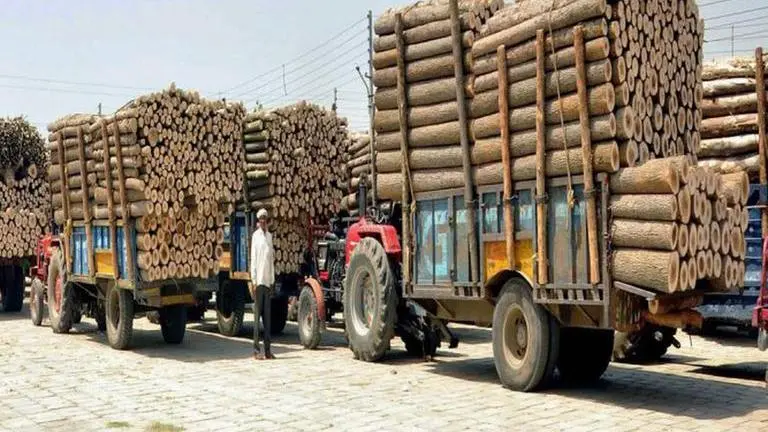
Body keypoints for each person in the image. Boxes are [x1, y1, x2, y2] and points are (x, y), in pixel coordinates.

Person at [250, 208, 275, 360]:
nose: (263, 222)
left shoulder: (270, 237)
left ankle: (267, 350)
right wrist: (253, 280)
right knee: (257, 316)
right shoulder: (255, 237)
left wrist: (272, 280)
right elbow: (253, 259)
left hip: (267, 281)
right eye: (261, 220)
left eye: (265, 219)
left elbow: (271, 260)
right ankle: (255, 350)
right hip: (258, 281)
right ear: (258, 221)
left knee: (267, 317)